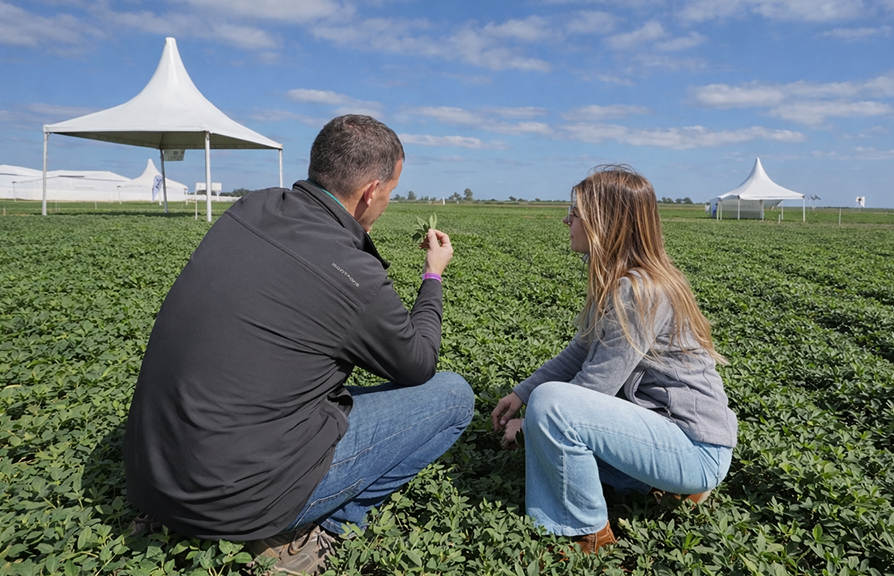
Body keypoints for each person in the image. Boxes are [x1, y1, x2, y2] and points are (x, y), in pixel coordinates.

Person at [123, 115, 475, 575]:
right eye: (388, 192)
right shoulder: (356, 276)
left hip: (151, 474)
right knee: (453, 396)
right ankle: (312, 532)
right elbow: (418, 363)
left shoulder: (252, 208)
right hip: (237, 499)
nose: (386, 203)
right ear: (371, 192)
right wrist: (432, 276)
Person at [490, 165, 737, 554]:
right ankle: (668, 488)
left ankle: (587, 533)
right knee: (545, 425)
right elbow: (581, 351)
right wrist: (522, 394)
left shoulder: (640, 291)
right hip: (666, 433)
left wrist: (532, 419)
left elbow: (595, 387)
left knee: (551, 410)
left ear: (606, 223)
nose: (567, 219)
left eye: (576, 212)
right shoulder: (618, 278)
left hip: (695, 449)